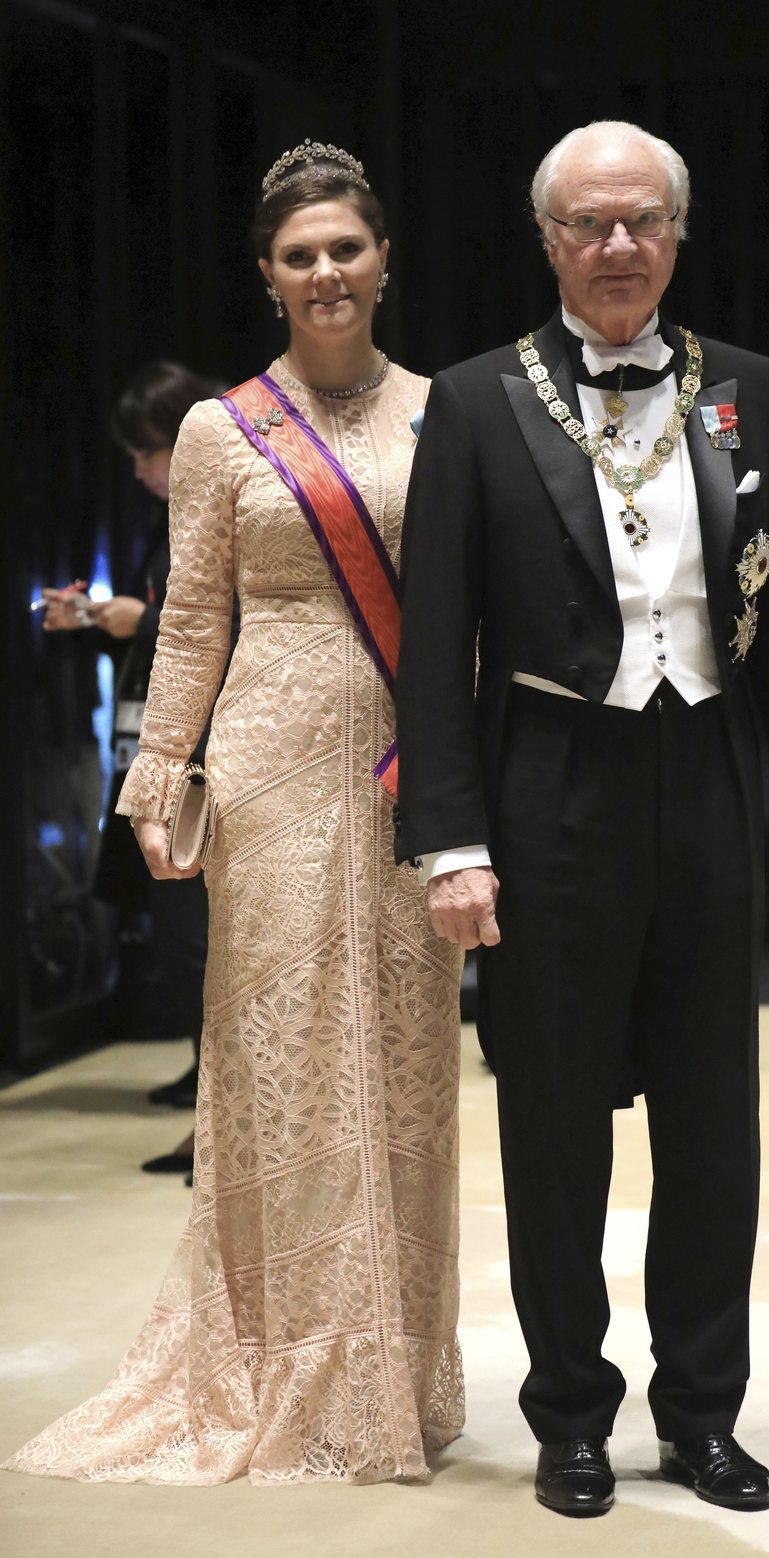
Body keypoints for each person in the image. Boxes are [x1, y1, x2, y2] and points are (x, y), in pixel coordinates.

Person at [395, 120, 769, 1517]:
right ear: (548, 241)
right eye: (589, 224)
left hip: (711, 780)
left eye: (643, 222)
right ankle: (570, 1418)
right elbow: (435, 647)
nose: (617, 247)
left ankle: (702, 1413)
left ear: (677, 234)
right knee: (555, 1128)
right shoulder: (475, 401)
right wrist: (453, 842)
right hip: (550, 785)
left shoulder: (751, 390)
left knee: (718, 1125)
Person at [5, 140, 463, 1485]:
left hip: (399, 773)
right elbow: (196, 613)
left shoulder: (449, 413)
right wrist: (158, 779)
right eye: (300, 254)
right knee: (284, 1070)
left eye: (347, 248)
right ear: (269, 278)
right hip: (266, 772)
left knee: (407, 1076)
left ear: (386, 261)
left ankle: (396, 1376)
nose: (326, 271)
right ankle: (283, 1367)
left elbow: (461, 620)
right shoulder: (222, 429)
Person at [42, 363, 226, 1172]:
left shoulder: (227, 508)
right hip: (160, 756)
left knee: (203, 945)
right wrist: (98, 620)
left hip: (217, 760)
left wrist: (140, 619)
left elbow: (233, 625)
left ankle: (224, 1130)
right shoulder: (167, 523)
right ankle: (216, 1115)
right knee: (185, 943)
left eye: (149, 450)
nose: (142, 470)